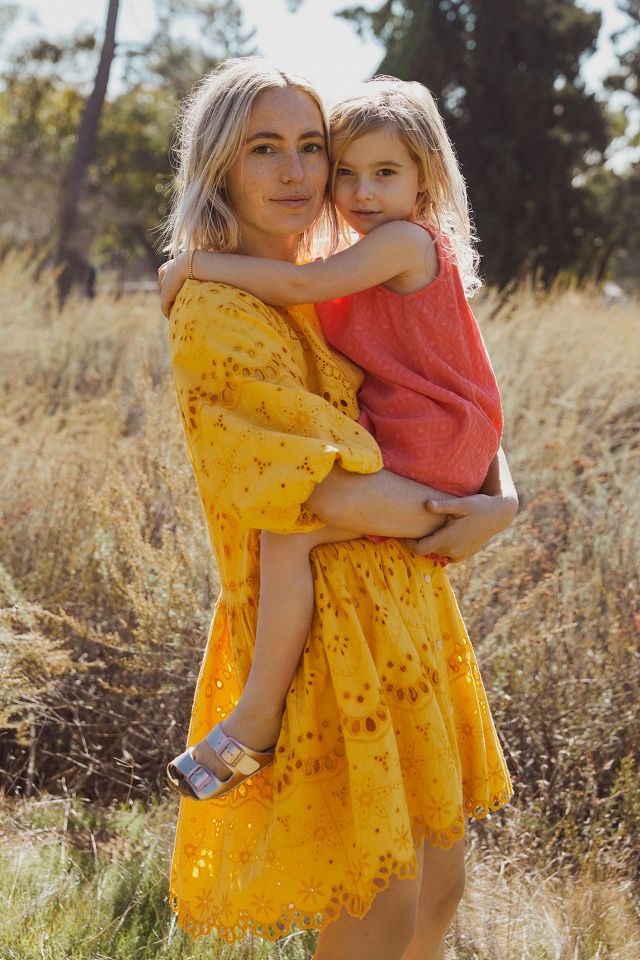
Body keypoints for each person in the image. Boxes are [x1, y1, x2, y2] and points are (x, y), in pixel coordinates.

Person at [163, 57, 516, 960]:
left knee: (440, 888)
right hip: (328, 630)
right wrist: (459, 513)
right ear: (219, 168)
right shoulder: (215, 307)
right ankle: (256, 716)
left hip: (407, 608)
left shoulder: (333, 276)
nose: (298, 173)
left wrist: (501, 497)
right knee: (380, 905)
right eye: (263, 149)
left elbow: (437, 392)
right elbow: (312, 491)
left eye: (310, 147)